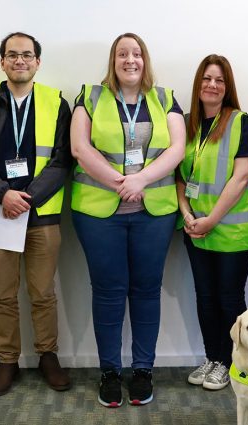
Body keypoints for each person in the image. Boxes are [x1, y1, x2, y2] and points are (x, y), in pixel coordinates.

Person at [70, 32, 185, 407]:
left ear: (145, 59)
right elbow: (79, 148)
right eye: (122, 54)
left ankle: (142, 370)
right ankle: (109, 371)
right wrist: (122, 183)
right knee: (108, 291)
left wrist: (142, 180)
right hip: (99, 213)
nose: (130, 60)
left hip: (153, 213)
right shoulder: (90, 96)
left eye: (136, 53)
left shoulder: (165, 98)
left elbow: (177, 148)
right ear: (113, 60)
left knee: (147, 290)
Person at [0, 32, 72, 397]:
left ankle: (47, 356)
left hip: (42, 214)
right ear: (2, 62)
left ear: (38, 62)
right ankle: (7, 360)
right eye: (13, 55)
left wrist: (27, 198)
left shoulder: (56, 102)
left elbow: (63, 159)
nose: (20, 60)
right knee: (3, 294)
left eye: (27, 55)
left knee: (43, 293)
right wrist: (2, 195)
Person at [176, 54, 248, 391]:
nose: (212, 85)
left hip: (233, 232)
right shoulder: (186, 124)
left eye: (220, 80)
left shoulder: (243, 123)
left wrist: (210, 219)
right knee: (204, 297)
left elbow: (240, 179)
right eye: (207, 79)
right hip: (196, 229)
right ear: (198, 85)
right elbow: (180, 178)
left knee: (229, 298)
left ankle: (232, 363)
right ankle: (213, 358)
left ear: (228, 88)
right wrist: (186, 214)